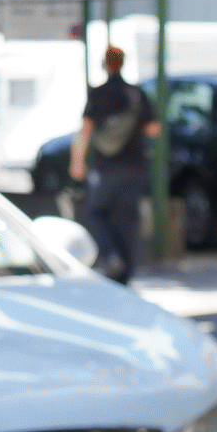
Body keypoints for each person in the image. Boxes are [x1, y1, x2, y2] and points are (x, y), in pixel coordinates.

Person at [70, 46, 152, 284]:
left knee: (96, 212)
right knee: (127, 217)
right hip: (135, 166)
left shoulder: (98, 94)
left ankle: (111, 256)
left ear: (105, 64)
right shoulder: (137, 94)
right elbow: (153, 129)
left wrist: (77, 162)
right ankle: (125, 273)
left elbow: (85, 130)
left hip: (106, 167)